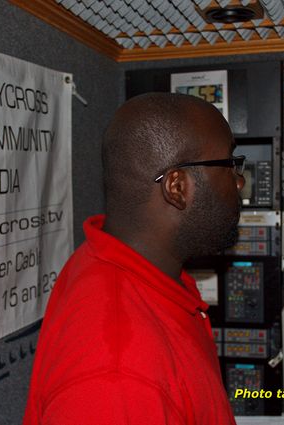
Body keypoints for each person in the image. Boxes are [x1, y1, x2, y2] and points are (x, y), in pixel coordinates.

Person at [24, 92, 245, 424]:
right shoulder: (117, 373)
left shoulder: (123, 265)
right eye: (229, 164)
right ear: (178, 187)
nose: (239, 180)